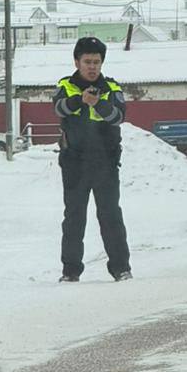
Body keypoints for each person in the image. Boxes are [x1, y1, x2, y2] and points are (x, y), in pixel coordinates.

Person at [53, 35, 132, 283]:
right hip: (74, 162)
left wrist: (97, 103)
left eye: (96, 62)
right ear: (77, 62)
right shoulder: (65, 86)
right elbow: (58, 108)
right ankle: (70, 271)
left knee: (110, 215)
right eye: (87, 62)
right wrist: (80, 100)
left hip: (105, 162)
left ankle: (121, 268)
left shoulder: (112, 88)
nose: (92, 67)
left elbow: (119, 117)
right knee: (74, 217)